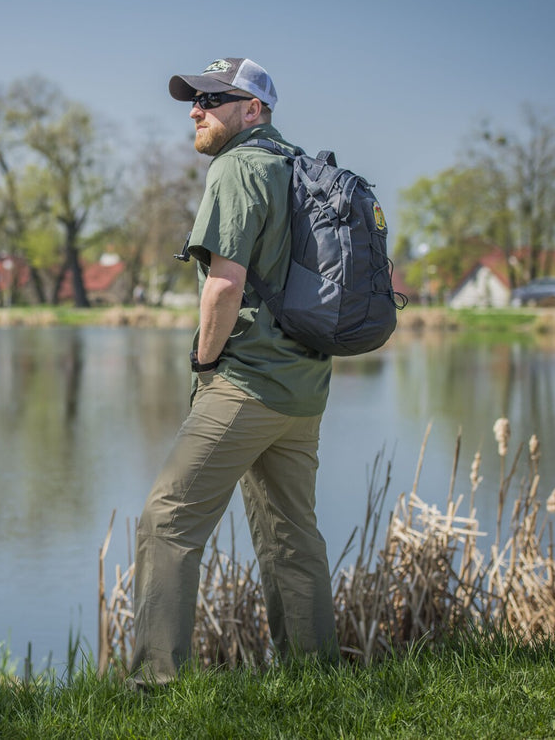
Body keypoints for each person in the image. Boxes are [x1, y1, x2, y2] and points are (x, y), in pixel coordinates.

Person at [129, 57, 337, 687]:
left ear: (253, 110)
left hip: (246, 383)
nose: (196, 109)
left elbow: (223, 285)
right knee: (291, 537)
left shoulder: (239, 167)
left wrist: (205, 361)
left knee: (166, 521)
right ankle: (314, 680)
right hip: (303, 386)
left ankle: (155, 685)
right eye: (194, 100)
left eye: (212, 100)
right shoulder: (298, 165)